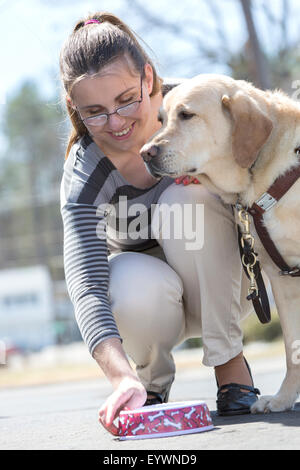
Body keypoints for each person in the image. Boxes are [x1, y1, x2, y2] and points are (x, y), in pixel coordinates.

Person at [59, 12, 260, 433]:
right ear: (72, 105)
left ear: (148, 78)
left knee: (182, 200)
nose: (116, 123)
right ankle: (148, 383)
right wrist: (119, 376)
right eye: (95, 112)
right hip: (151, 309)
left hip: (226, 287)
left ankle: (229, 364)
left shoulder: (199, 107)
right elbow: (87, 285)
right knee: (123, 273)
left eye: (127, 100)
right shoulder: (85, 174)